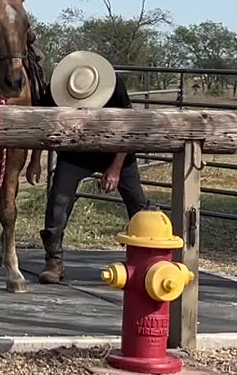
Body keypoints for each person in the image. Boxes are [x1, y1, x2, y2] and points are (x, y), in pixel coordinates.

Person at [34, 51, 152, 283]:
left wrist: (116, 168)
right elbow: (41, 123)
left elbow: (129, 128)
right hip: (76, 152)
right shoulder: (54, 90)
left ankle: (146, 259)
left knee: (138, 203)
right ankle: (54, 260)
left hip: (116, 150)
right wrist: (35, 160)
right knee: (58, 199)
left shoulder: (115, 87)